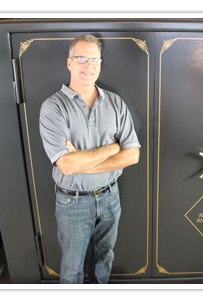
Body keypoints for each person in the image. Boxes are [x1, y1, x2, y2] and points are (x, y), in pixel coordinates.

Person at [39, 34, 141, 284]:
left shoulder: (115, 102)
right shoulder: (53, 107)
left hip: (110, 196)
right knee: (72, 267)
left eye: (94, 59)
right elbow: (67, 165)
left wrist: (83, 161)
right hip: (72, 203)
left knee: (105, 257)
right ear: (69, 62)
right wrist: (112, 148)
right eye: (81, 58)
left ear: (100, 63)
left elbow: (133, 155)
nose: (88, 65)